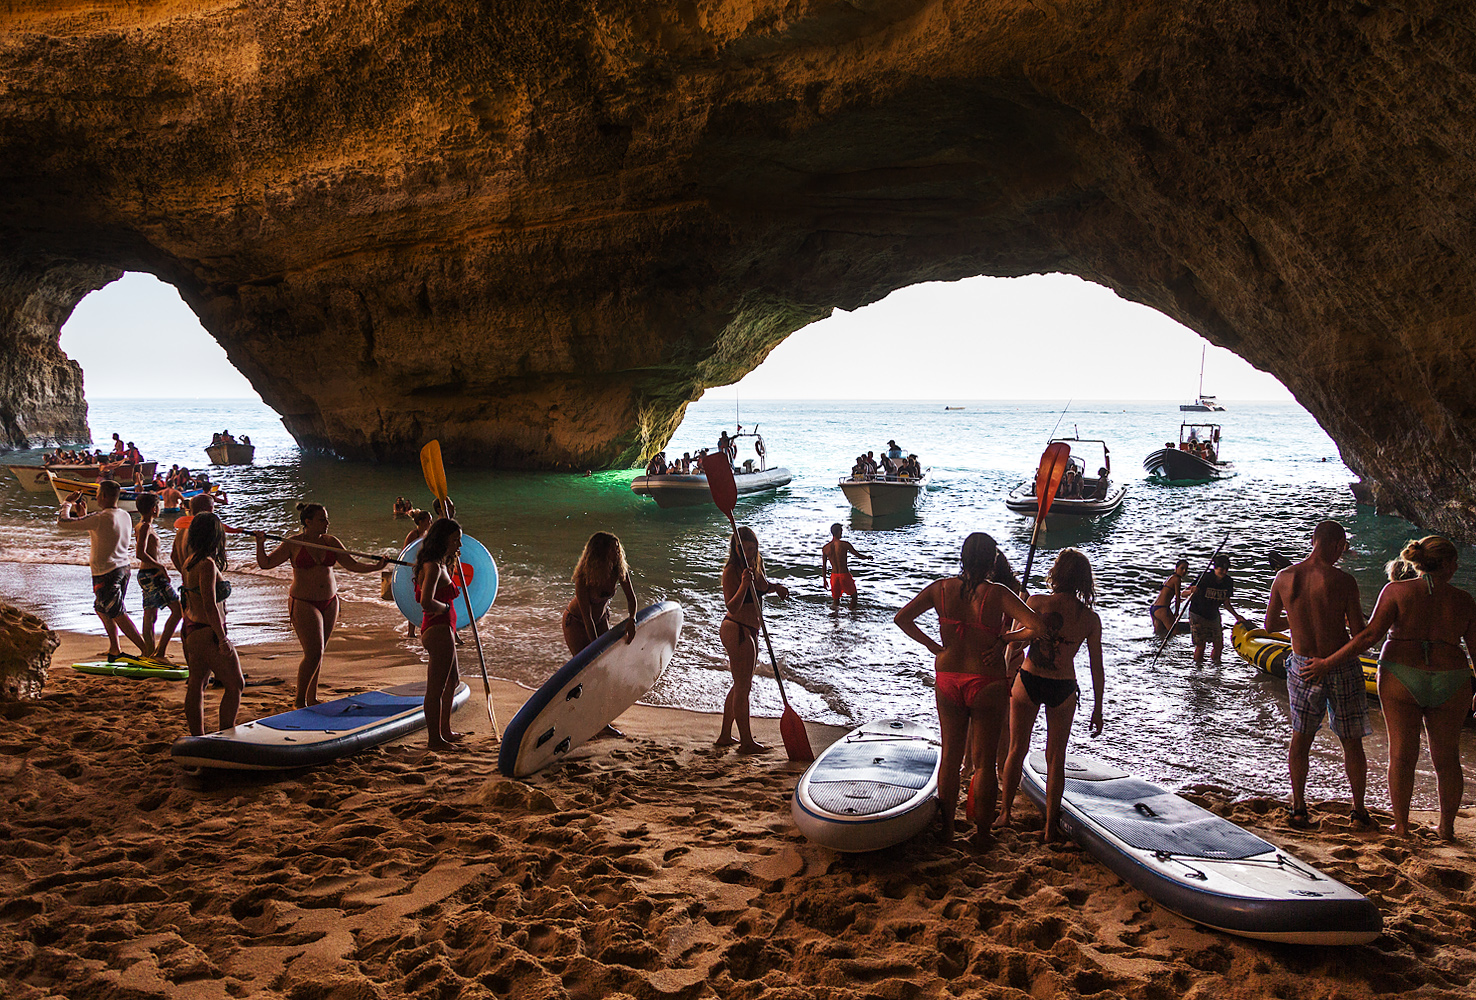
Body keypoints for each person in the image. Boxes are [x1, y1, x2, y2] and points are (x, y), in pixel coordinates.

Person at [1309, 536, 1476, 840]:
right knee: (1447, 757)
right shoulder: (1464, 600)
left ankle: (1400, 825)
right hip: (1452, 677)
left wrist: (1327, 663)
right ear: (1449, 566)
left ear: (1418, 562)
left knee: (1401, 754)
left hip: (1401, 674)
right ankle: (1446, 830)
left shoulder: (1396, 591)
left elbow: (1367, 637)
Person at [895, 532, 1042, 843]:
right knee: (985, 761)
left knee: (951, 755)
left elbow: (902, 618)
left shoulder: (940, 589)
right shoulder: (998, 593)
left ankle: (947, 828)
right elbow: (1038, 627)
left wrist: (935, 647)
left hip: (948, 677)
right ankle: (982, 833)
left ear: (962, 557)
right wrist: (1005, 639)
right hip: (986, 679)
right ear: (992, 560)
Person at [1264, 521, 1371, 830]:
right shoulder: (1342, 580)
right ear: (1338, 545)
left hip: (1301, 666)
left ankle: (1298, 808)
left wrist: (1296, 623)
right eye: (1344, 547)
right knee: (1351, 740)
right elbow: (1359, 635)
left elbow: (1270, 625)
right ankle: (1359, 812)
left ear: (1313, 541)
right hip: (1337, 664)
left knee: (1301, 737)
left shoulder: (1284, 577)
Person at [997, 549, 1105, 842]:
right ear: (1084, 579)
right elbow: (1096, 666)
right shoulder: (1089, 619)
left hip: (1029, 679)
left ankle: (1005, 813)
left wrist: (1009, 638)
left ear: (1057, 574)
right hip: (1063, 686)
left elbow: (1015, 647)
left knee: (1016, 748)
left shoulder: (1035, 602)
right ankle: (1049, 828)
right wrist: (1098, 707)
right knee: (1055, 757)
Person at [253, 503, 387, 708]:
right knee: (313, 652)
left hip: (330, 601)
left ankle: (311, 697)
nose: (327, 523)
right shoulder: (293, 543)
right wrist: (260, 543)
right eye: (322, 519)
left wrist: (377, 567)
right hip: (304, 601)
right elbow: (266, 564)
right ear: (308, 522)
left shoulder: (331, 542)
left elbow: (352, 565)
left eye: (326, 519)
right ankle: (299, 701)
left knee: (319, 652)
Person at [57, 480, 150, 660]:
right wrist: (84, 516)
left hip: (106, 572)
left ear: (105, 496)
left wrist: (66, 503)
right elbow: (103, 534)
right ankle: (115, 649)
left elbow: (63, 522)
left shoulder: (101, 518)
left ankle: (146, 650)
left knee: (116, 611)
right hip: (123, 568)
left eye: (98, 493)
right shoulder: (124, 515)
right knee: (102, 608)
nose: (96, 496)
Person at [715, 526, 789, 754]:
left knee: (740, 684)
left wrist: (776, 588)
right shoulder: (731, 571)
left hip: (751, 630)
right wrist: (744, 584)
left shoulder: (755, 566)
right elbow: (733, 606)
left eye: (751, 548)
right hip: (736, 628)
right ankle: (746, 742)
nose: (747, 553)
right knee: (743, 686)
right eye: (743, 548)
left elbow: (763, 587)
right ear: (735, 548)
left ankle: (726, 735)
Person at [178, 513, 244, 735]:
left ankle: (198, 737)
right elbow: (209, 604)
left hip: (191, 628)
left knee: (197, 684)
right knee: (236, 685)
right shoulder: (206, 564)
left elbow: (187, 599)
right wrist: (222, 639)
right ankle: (226, 733)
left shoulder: (190, 560)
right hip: (208, 632)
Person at [415, 517, 468, 750]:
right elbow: (426, 602)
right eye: (456, 540)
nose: (459, 545)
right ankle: (435, 740)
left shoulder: (438, 563)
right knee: (435, 689)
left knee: (452, 682)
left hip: (445, 629)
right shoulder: (433, 567)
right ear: (443, 539)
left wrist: (453, 630)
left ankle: (445, 731)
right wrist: (446, 609)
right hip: (437, 628)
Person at [563, 531, 638, 653]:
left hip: (600, 619)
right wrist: (595, 647)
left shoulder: (618, 570)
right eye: (613, 549)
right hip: (577, 621)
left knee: (608, 656)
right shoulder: (584, 578)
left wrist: (632, 620)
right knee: (585, 663)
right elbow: (587, 617)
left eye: (618, 549)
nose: (617, 553)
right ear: (601, 552)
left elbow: (631, 598)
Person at [134, 494, 184, 661]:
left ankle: (150, 652)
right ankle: (158, 652)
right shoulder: (145, 526)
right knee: (177, 610)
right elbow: (140, 553)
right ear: (154, 508)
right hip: (152, 574)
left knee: (150, 614)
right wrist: (160, 566)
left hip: (147, 574)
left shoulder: (141, 525)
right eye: (159, 506)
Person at [1187, 553, 1247, 663]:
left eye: (1226, 570)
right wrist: (1192, 590)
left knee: (1219, 645)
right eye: (1221, 570)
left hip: (1213, 614)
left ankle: (1216, 668)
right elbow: (1184, 594)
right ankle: (1197, 670)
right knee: (1201, 645)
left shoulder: (1228, 582)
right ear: (1215, 568)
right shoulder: (1205, 578)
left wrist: (1237, 616)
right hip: (1197, 614)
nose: (1223, 572)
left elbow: (1226, 603)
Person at [820, 523, 871, 609]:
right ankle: (851, 614)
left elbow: (824, 566)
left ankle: (835, 619)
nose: (842, 533)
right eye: (841, 531)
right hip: (844, 575)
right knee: (854, 597)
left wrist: (824, 580)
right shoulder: (845, 544)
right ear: (838, 532)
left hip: (834, 576)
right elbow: (858, 555)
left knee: (836, 600)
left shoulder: (826, 548)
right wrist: (867, 557)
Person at [401, 510, 434, 638]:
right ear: (420, 522)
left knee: (426, 597)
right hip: (413, 570)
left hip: (424, 569)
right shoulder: (413, 535)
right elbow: (405, 553)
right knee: (414, 599)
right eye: (428, 520)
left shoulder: (429, 535)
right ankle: (411, 632)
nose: (430, 523)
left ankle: (426, 626)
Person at [1150, 559, 1190, 636]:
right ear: (1176, 568)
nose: (1184, 571)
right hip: (1162, 609)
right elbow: (1177, 598)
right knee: (1175, 632)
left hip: (1154, 608)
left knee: (1160, 634)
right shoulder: (1177, 579)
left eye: (1186, 569)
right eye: (1182, 568)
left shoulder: (1170, 577)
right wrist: (1177, 613)